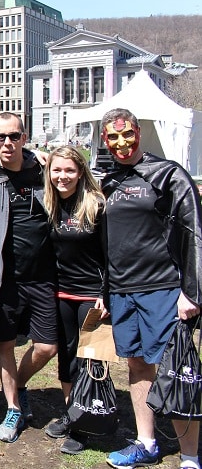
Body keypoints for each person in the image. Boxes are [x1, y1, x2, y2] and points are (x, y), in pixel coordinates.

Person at [99, 108, 202, 469]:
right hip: (124, 291)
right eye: (113, 137)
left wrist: (191, 293)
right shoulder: (109, 181)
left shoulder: (167, 174)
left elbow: (194, 233)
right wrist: (105, 288)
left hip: (163, 288)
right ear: (104, 140)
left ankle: (190, 455)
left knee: (175, 369)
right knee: (138, 366)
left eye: (127, 134)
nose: (121, 142)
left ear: (138, 133)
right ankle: (146, 442)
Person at [0, 112, 58, 443]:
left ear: (25, 137)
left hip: (43, 277)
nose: (7, 143)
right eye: (1, 138)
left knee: (46, 346)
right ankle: (13, 407)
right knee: (5, 344)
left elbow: (82, 181)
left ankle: (20, 382)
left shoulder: (45, 171)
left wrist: (50, 159)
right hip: (4, 278)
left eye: (14, 136)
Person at [41, 145, 106, 455]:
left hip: (92, 297)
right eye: (56, 170)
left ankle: (88, 424)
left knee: (91, 359)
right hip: (62, 293)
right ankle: (72, 413)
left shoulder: (96, 206)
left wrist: (106, 295)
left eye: (69, 170)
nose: (62, 176)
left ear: (81, 172)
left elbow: (112, 256)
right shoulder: (51, 204)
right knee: (67, 356)